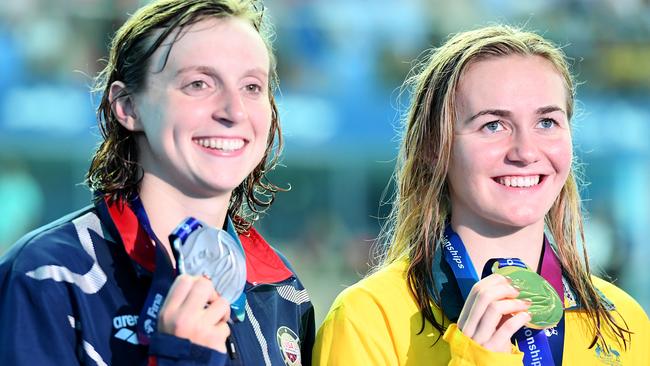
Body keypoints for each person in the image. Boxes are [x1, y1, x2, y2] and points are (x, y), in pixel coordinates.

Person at [0, 1, 314, 365]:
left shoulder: (282, 291)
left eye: (252, 86)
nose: (234, 111)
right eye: (198, 83)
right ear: (127, 105)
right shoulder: (47, 276)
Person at [313, 25, 649, 365]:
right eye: (493, 125)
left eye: (546, 122)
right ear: (434, 147)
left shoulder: (624, 321)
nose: (525, 151)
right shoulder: (369, 318)